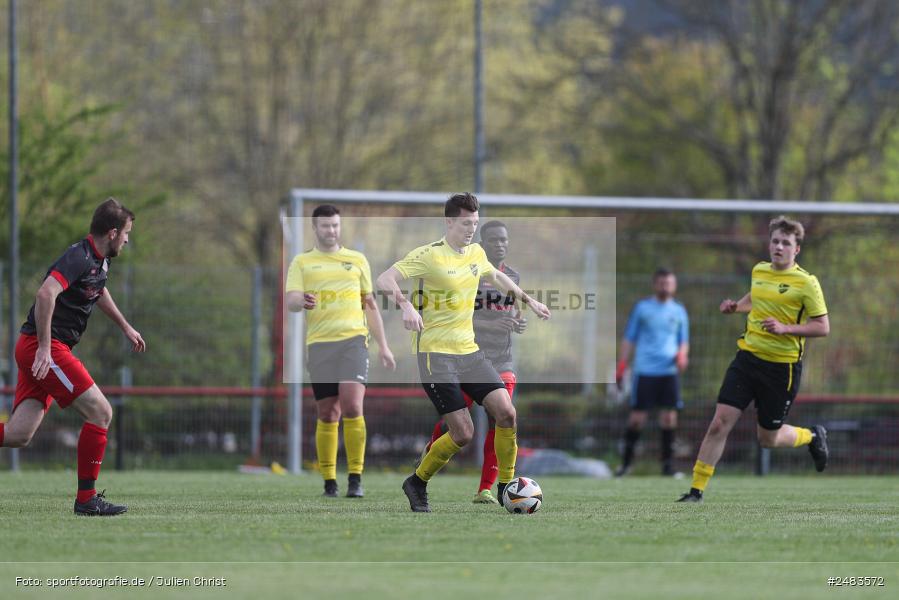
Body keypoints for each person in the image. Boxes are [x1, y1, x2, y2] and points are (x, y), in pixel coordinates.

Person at [377, 193, 551, 513]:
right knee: (463, 433)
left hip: (469, 352)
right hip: (436, 355)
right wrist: (405, 307)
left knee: (507, 413)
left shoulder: (475, 253)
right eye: (465, 223)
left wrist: (530, 301)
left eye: (474, 222)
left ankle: (506, 488)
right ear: (449, 222)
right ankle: (417, 482)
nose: (471, 228)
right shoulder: (429, 255)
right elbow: (385, 278)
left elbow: (496, 276)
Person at [0, 198, 145, 516]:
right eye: (126, 233)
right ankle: (86, 499)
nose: (127, 239)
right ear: (112, 232)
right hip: (46, 349)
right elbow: (45, 293)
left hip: (39, 348)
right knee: (101, 412)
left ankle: (86, 499)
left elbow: (98, 289)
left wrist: (125, 326)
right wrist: (44, 347)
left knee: (17, 435)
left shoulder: (100, 260)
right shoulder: (78, 256)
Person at [677, 216, 830, 503]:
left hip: (781, 369)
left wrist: (786, 329)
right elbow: (756, 297)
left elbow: (823, 327)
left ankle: (811, 435)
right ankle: (695, 492)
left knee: (767, 439)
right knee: (719, 423)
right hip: (747, 359)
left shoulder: (806, 283)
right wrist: (736, 306)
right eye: (775, 241)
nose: (779, 247)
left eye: (786, 243)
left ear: (796, 250)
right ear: (769, 244)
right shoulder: (759, 270)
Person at [286, 204, 395, 498]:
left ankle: (356, 479)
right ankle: (329, 481)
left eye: (335, 225)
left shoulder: (357, 260)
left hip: (354, 342)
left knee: (352, 406)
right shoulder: (302, 262)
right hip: (320, 345)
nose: (331, 230)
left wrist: (383, 346)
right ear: (315, 228)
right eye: (325, 226)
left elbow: (369, 304)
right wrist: (302, 301)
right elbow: (292, 299)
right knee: (327, 412)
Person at [420, 220, 526, 504]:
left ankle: (487, 489)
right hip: (467, 357)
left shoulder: (512, 276)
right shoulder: (468, 271)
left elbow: (511, 311)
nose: (500, 244)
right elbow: (457, 315)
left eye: (504, 239)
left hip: (502, 359)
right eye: (494, 240)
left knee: (502, 417)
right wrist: (492, 326)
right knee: (456, 424)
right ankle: (429, 455)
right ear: (482, 242)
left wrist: (517, 322)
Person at [615, 268, 689, 477]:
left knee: (668, 419)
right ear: (655, 284)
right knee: (637, 419)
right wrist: (622, 365)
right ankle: (626, 466)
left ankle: (668, 468)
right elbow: (629, 338)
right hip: (645, 371)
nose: (665, 286)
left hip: (669, 372)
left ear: (674, 286)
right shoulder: (642, 308)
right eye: (662, 283)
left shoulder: (679, 311)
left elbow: (683, 341)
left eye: (669, 283)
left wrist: (682, 356)